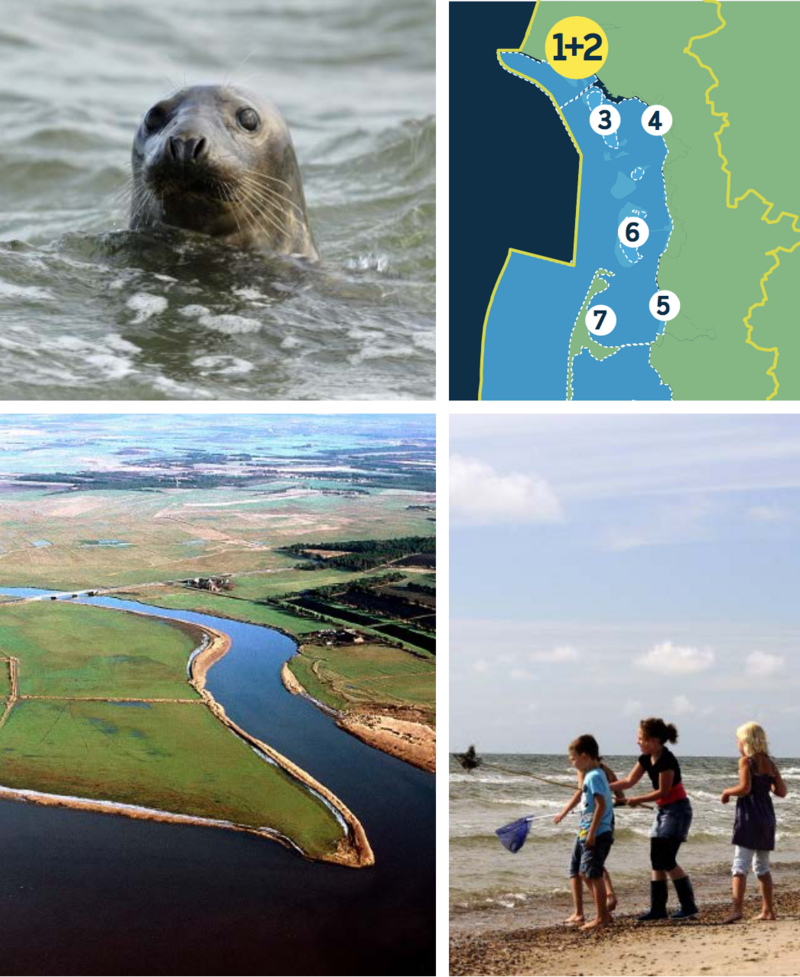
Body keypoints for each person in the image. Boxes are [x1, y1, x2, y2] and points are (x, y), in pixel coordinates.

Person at [609, 717, 698, 920]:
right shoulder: (644, 759)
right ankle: (658, 909)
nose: (638, 742)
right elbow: (629, 781)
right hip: (663, 812)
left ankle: (689, 906)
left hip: (677, 811)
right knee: (656, 859)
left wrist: (635, 800)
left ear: (654, 740)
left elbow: (663, 791)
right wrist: (604, 787)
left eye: (641, 738)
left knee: (666, 859)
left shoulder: (667, 760)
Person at [720, 721, 787, 923]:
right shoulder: (771, 763)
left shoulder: (746, 762)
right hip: (766, 817)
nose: (737, 744)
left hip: (749, 817)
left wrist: (726, 792)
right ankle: (768, 910)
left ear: (746, 741)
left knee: (740, 865)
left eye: (738, 740)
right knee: (762, 866)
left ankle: (737, 910)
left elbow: (745, 788)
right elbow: (782, 792)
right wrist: (767, 784)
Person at [553, 734, 614, 931]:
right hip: (592, 830)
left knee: (592, 875)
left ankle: (601, 917)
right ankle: (603, 915)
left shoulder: (594, 776)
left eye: (573, 759)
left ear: (585, 756)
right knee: (586, 873)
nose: (572, 764)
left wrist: (591, 834)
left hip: (597, 832)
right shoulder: (595, 774)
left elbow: (601, 806)